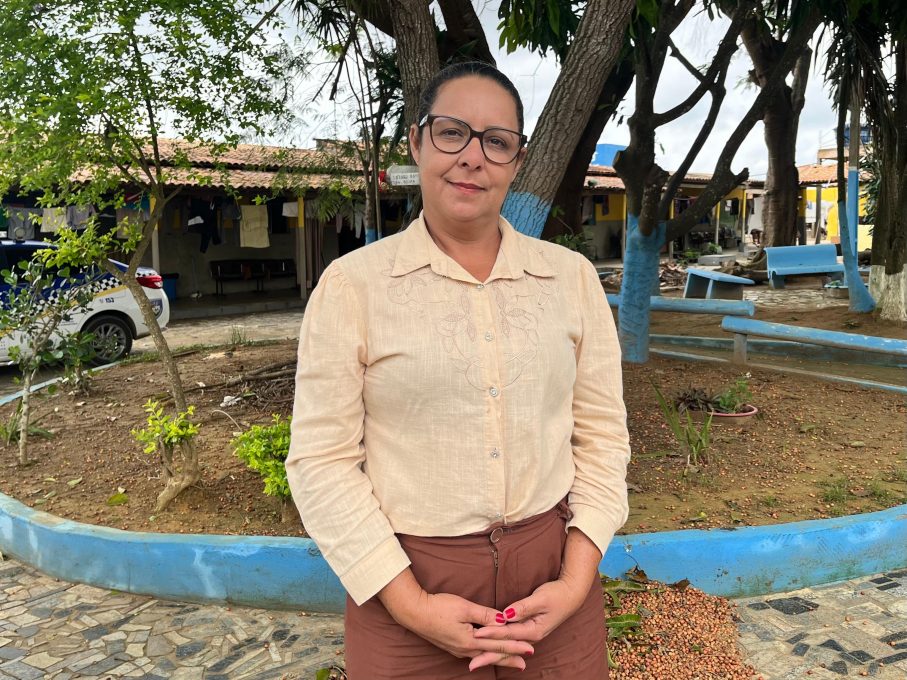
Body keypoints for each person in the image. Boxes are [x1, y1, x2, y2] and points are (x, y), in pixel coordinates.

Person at [286, 61, 631, 679]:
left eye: (497, 141)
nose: (473, 157)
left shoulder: (570, 280)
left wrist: (576, 580)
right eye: (452, 132)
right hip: (409, 584)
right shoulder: (353, 287)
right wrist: (411, 605)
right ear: (416, 142)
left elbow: (603, 438)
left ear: (517, 161)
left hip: (554, 581)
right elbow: (321, 461)